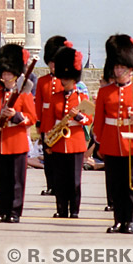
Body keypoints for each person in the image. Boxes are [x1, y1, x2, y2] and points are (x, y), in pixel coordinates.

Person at [92, 34, 133, 235]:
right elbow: (99, 121)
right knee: (115, 186)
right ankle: (118, 220)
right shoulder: (105, 92)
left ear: (130, 69)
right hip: (112, 143)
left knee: (131, 185)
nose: (118, 71)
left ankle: (130, 220)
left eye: (122, 68)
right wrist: (101, 143)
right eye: (116, 67)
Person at [0, 43, 37, 223]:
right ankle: (2, 211)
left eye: (8, 74)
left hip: (17, 141)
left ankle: (14, 212)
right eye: (3, 74)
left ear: (15, 74)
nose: (5, 77)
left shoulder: (23, 93)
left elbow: (32, 117)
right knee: (0, 181)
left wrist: (16, 116)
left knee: (16, 182)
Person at [46, 45, 92, 219]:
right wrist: (48, 142)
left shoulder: (82, 98)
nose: (63, 81)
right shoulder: (55, 97)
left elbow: (89, 120)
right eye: (62, 78)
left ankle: (74, 210)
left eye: (66, 78)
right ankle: (61, 209)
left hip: (75, 141)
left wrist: (79, 116)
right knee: (60, 180)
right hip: (58, 142)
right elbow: (50, 122)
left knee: (74, 181)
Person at [35, 36, 70, 196]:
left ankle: (61, 185)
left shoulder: (66, 81)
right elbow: (39, 104)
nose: (53, 66)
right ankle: (51, 185)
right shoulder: (42, 81)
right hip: (47, 124)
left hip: (61, 122)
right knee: (49, 158)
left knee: (60, 158)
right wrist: (38, 123)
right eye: (51, 63)